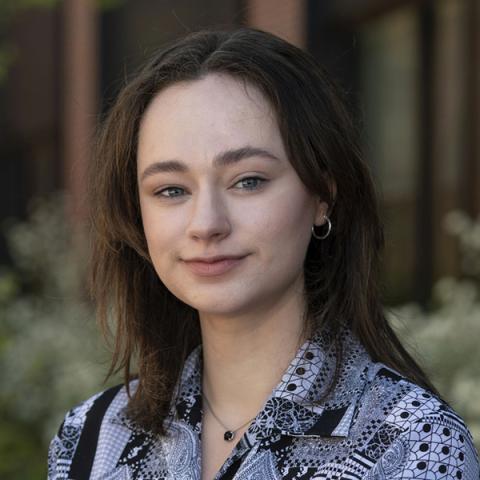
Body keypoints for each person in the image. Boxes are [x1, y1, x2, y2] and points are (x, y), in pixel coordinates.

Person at [48, 27, 479, 480]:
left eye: (248, 180)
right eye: (171, 190)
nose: (206, 224)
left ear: (321, 197)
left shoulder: (412, 443)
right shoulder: (90, 438)